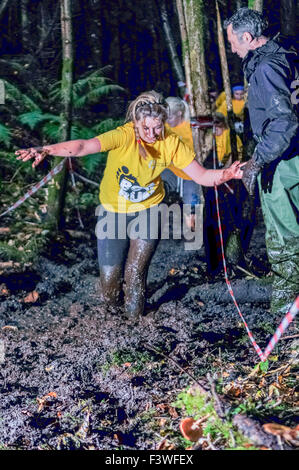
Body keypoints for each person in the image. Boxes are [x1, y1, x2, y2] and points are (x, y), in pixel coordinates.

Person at [16, 90, 244, 319]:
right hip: (112, 212)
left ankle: (135, 323)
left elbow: (202, 176)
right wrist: (45, 149)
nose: (153, 134)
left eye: (158, 127)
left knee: (135, 273)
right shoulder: (123, 136)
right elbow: (83, 146)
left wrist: (228, 174)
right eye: (147, 129)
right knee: (109, 280)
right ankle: (114, 321)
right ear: (136, 123)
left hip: (149, 210)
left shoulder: (171, 142)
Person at [224, 8, 299, 314]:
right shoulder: (287, 54)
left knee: (283, 233)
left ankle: (285, 311)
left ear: (247, 37)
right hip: (292, 153)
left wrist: (257, 161)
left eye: (232, 42)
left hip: (282, 159)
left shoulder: (266, 66)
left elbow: (283, 121)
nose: (231, 48)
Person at [202, 113, 246, 275]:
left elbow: (237, 157)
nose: (216, 128)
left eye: (218, 124)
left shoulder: (230, 136)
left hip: (229, 183)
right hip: (211, 182)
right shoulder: (208, 138)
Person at [161, 96, 202, 231]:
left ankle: (193, 232)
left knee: (191, 204)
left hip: (189, 171)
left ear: (179, 113)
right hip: (170, 169)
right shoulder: (164, 127)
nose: (167, 120)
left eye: (170, 117)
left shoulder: (191, 127)